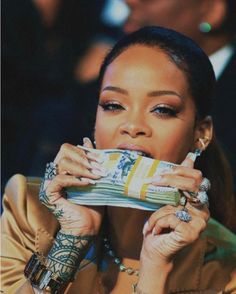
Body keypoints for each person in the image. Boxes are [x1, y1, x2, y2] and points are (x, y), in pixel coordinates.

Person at [1, 27, 236, 293]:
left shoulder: (227, 266)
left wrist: (155, 267)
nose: (132, 125)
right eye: (113, 105)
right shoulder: (29, 207)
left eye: (162, 109)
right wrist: (72, 237)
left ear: (201, 133)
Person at [123, 0, 236, 192]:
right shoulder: (85, 96)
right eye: (113, 105)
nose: (130, 1)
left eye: (163, 109)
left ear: (211, 11)